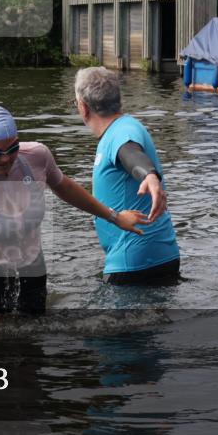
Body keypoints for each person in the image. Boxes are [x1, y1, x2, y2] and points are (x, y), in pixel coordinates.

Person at [0, 105, 148, 318]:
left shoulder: (36, 156)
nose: (5, 159)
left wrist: (114, 217)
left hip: (31, 269)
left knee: (33, 341)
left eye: (12, 149)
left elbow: (65, 187)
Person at [73, 67, 180, 285]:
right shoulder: (123, 127)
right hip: (158, 254)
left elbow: (131, 154)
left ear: (83, 107)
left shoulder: (121, 133)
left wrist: (149, 175)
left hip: (133, 262)